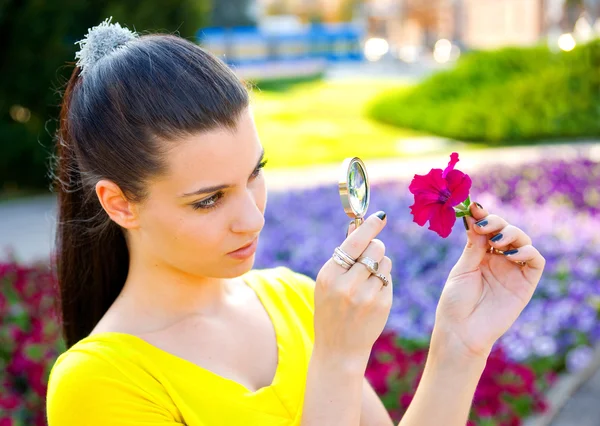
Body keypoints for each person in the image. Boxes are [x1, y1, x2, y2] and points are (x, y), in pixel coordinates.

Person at [46, 18, 546, 426]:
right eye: (208, 200)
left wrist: (460, 342)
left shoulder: (294, 298)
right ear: (120, 204)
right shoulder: (97, 384)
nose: (252, 218)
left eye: (254, 174)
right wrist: (336, 360)